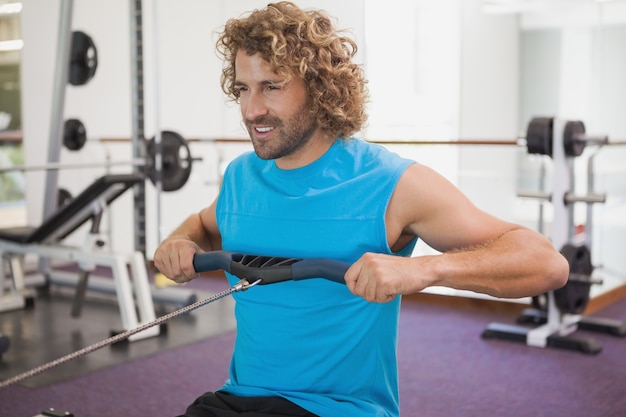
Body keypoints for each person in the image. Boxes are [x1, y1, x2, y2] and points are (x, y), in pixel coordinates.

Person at [153, 2, 569, 416]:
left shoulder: (391, 183)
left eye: (271, 86)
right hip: (236, 399)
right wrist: (180, 239)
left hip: (338, 409)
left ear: (318, 87)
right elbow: (204, 225)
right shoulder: (242, 176)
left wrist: (425, 269)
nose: (250, 110)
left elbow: (546, 263)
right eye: (243, 88)